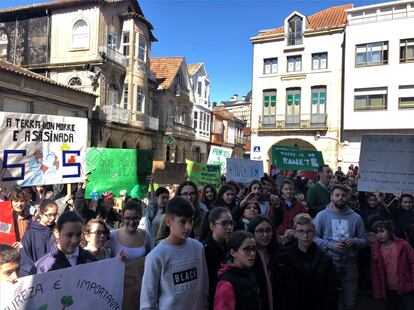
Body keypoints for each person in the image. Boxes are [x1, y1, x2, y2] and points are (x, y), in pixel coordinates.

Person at [140, 197, 209, 310]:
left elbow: (204, 286)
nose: (187, 227)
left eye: (190, 220)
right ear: (168, 222)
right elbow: (147, 301)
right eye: (182, 221)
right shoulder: (156, 256)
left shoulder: (198, 248)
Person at [314, 184, 368, 310]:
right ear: (331, 197)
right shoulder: (321, 216)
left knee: (350, 302)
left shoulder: (356, 217)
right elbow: (314, 238)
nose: (340, 198)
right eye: (337, 195)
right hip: (329, 263)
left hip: (350, 264)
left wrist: (354, 241)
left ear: (348, 197)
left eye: (343, 195)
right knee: (330, 300)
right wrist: (330, 245)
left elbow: (364, 240)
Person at [287, 213, 339, 310]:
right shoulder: (285, 257)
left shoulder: (325, 259)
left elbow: (331, 290)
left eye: (309, 231)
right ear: (295, 233)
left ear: (314, 232)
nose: (305, 235)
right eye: (301, 231)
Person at [371, 220, 414, 310]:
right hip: (388, 289)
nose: (379, 235)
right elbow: (375, 272)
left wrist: (412, 284)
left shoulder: (403, 245)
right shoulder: (376, 249)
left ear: (389, 231)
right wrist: (378, 292)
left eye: (382, 231)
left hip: (406, 287)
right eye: (376, 232)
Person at [214, 230, 260, 310]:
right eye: (247, 249)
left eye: (253, 249)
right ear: (233, 252)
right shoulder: (226, 282)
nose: (252, 254)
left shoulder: (250, 272)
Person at [201, 207, 234, 309]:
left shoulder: (231, 247)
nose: (229, 227)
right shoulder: (203, 249)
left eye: (231, 223)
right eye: (224, 223)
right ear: (212, 226)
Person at [20, 199, 58, 276]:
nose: (52, 218)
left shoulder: (57, 230)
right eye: (49, 215)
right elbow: (25, 260)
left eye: (55, 214)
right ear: (41, 214)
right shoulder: (30, 234)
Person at [247, 215, 278, 310]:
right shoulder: (247, 256)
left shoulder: (281, 254)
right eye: (260, 231)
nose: (265, 235)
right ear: (252, 232)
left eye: (268, 230)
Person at [274, 180, 307, 245]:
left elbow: (303, 220)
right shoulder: (276, 204)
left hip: (295, 237)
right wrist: (284, 231)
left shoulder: (299, 205)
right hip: (280, 237)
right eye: (286, 189)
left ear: (293, 190)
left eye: (290, 189)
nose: (288, 191)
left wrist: (293, 231)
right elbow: (273, 220)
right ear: (282, 190)